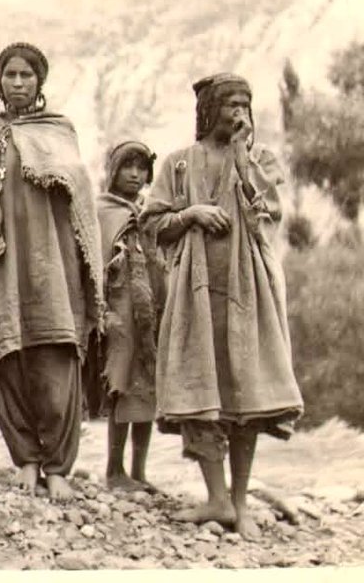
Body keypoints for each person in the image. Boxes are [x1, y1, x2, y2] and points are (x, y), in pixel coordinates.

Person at [141, 73, 303, 538]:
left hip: (246, 290)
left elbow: (266, 218)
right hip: (195, 293)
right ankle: (215, 499)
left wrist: (241, 159)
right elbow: (152, 224)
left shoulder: (261, 161)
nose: (238, 113)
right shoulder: (177, 164)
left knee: (244, 393)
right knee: (201, 390)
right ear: (209, 109)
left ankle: (240, 502)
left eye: (245, 105)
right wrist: (189, 214)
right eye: (230, 104)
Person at [0, 43, 103, 501]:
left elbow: (79, 195)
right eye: (10, 75)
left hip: (50, 258)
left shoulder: (59, 131)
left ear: (40, 82)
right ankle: (26, 459)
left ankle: (58, 465)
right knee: (8, 355)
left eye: (26, 75)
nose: (17, 83)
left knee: (54, 353)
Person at [86, 140, 165, 491]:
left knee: (148, 384)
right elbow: (94, 258)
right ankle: (114, 470)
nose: (134, 174)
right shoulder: (102, 210)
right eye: (126, 166)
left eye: (141, 167)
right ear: (112, 171)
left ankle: (140, 471)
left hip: (152, 307)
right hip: (118, 309)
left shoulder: (154, 211)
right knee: (120, 381)